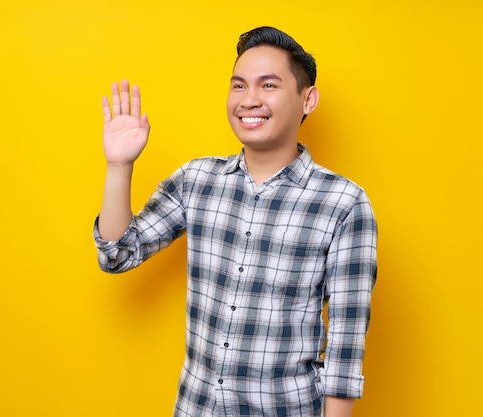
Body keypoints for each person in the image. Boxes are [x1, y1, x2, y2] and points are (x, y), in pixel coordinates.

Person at [93, 26, 377, 417]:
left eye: (269, 85)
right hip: (197, 408)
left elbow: (346, 347)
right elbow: (118, 254)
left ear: (307, 99)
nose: (250, 100)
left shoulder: (344, 203)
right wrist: (119, 165)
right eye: (239, 86)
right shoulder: (197, 180)